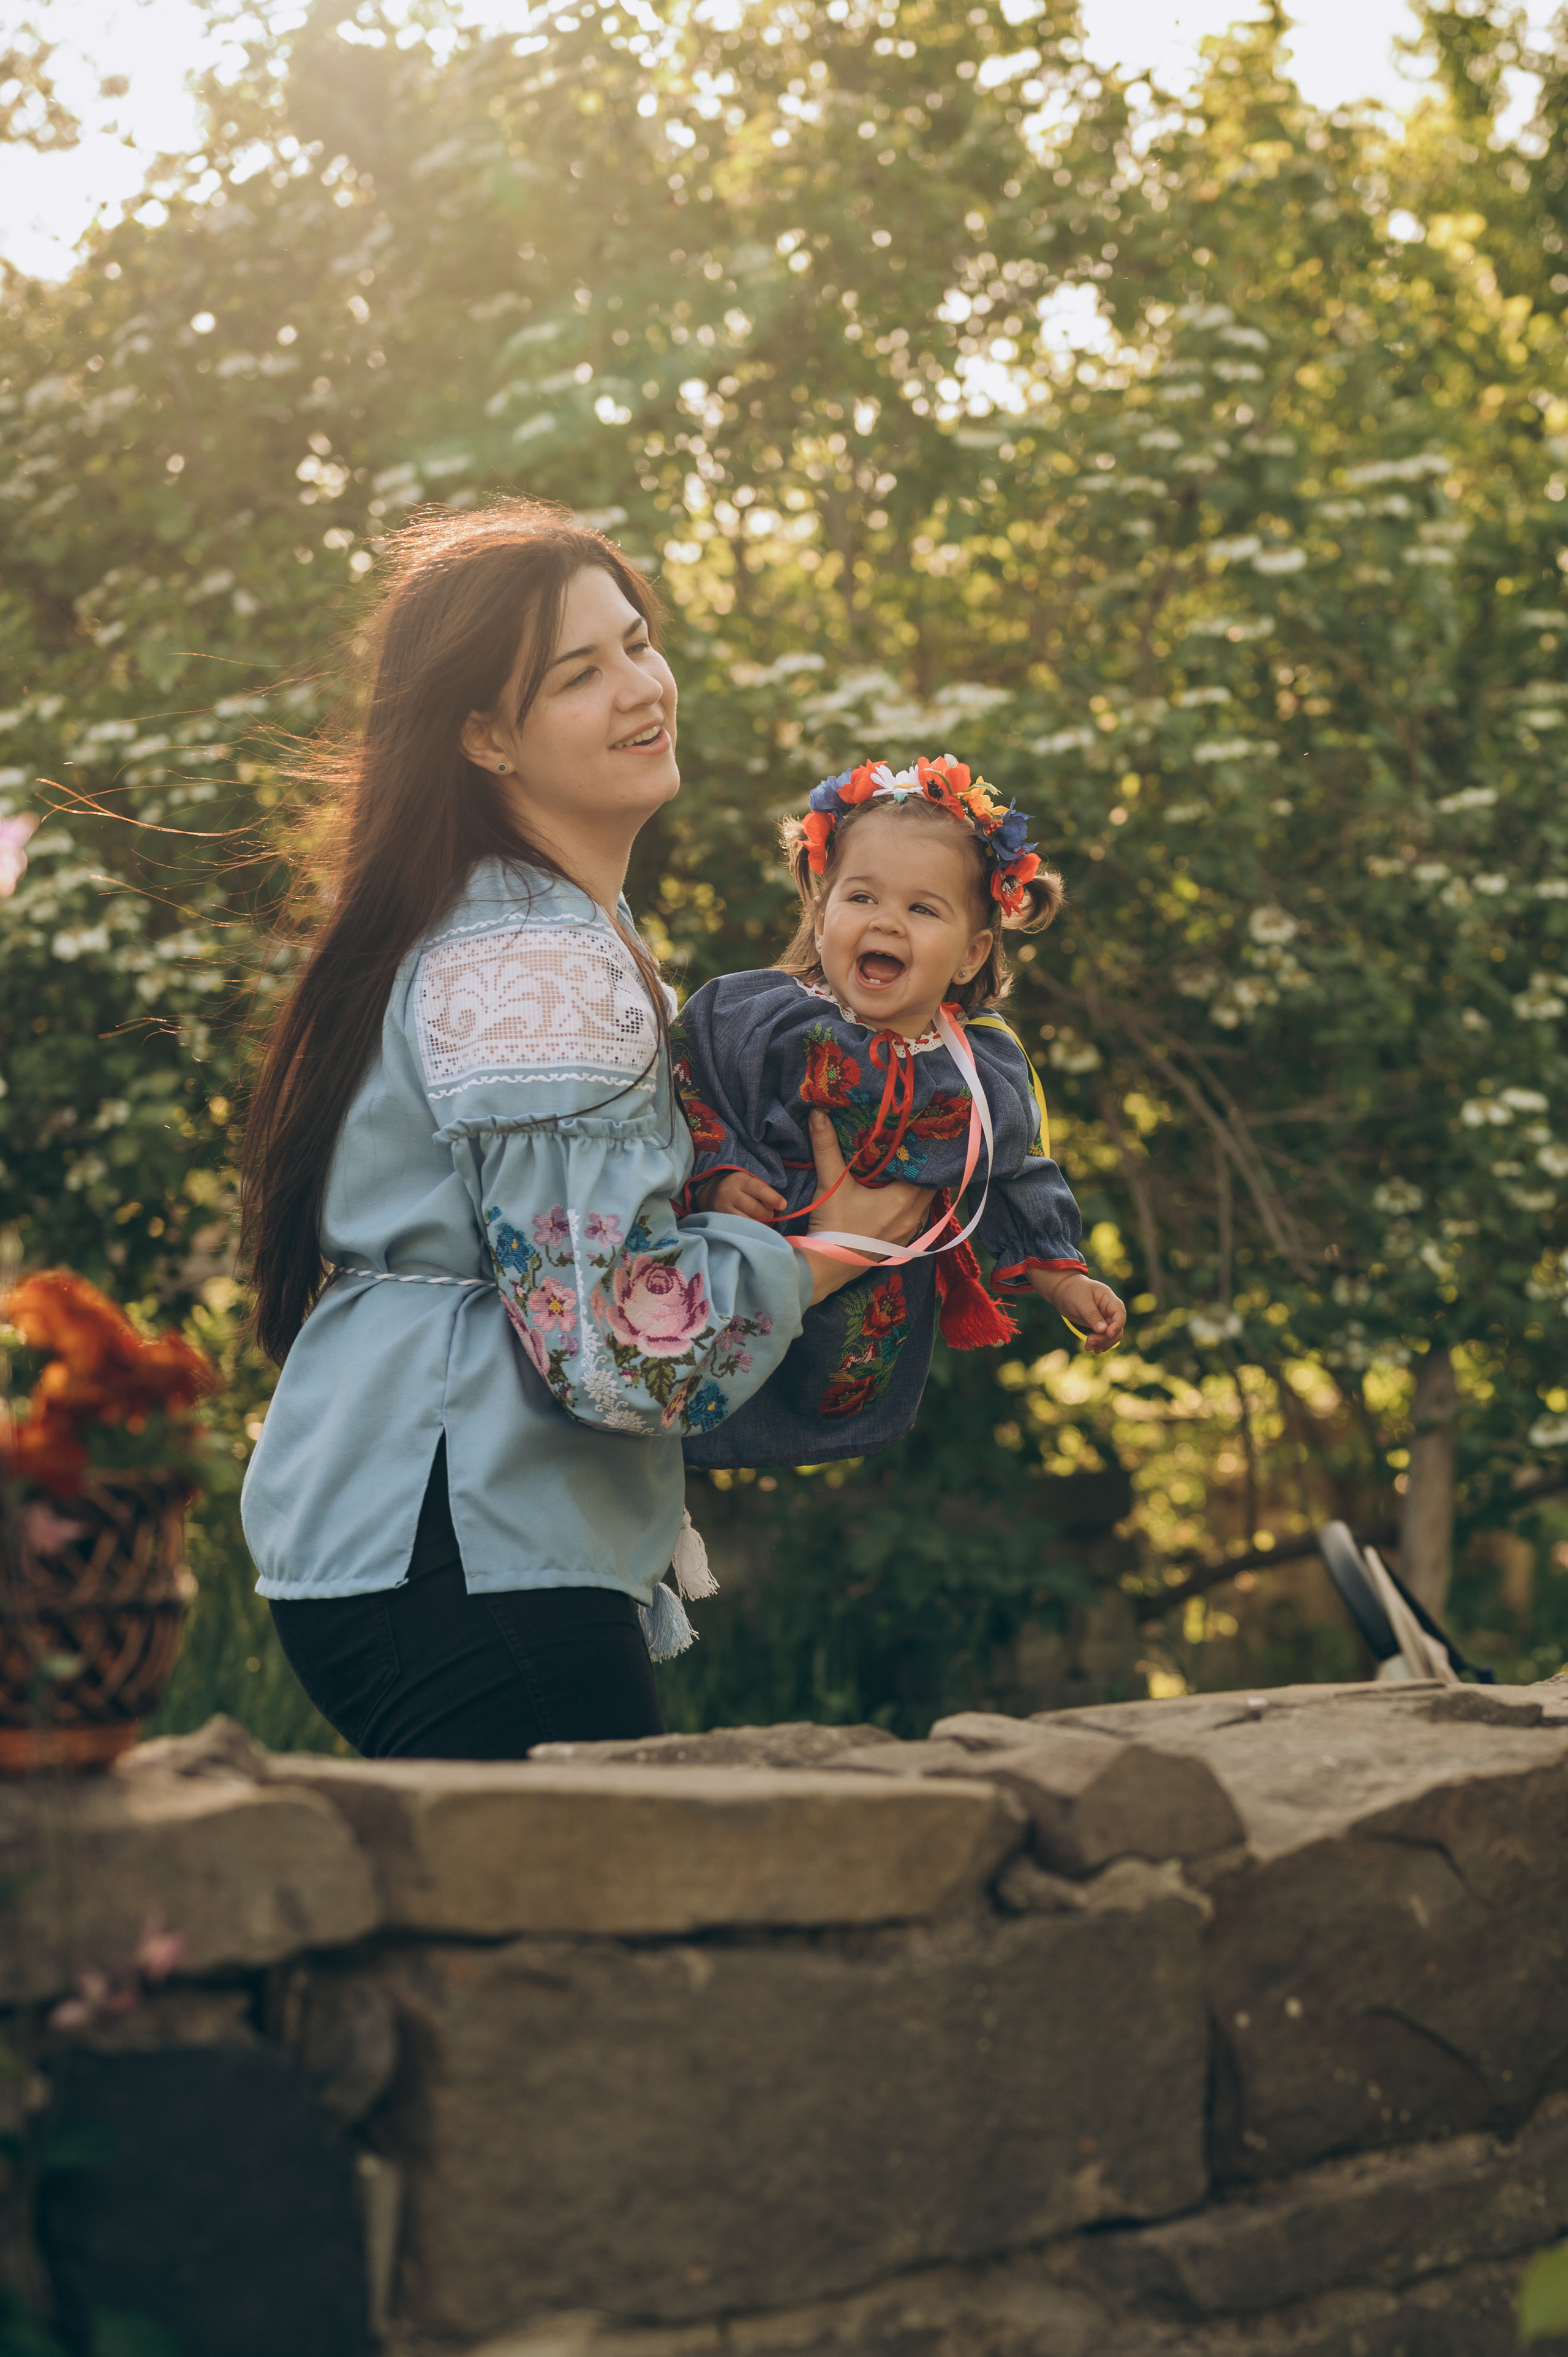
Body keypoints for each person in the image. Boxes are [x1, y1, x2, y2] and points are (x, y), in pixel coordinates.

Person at [238, 501, 931, 1760]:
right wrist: (836, 1249)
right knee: (575, 1947)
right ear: (485, 735)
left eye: (637, 641)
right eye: (579, 672)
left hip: (428, 1532)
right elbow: (617, 1342)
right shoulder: (535, 963)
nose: (638, 686)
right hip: (465, 1546)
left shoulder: (528, 922)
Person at [671, 755, 1127, 1471]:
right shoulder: (755, 1014)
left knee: (835, 1376)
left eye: (922, 909)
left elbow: (1013, 1170)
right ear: (821, 917)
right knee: (695, 1398)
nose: (887, 921)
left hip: (864, 1319)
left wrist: (1061, 1274)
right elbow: (690, 1089)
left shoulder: (980, 1072)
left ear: (973, 953)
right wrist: (717, 1173)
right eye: (862, 898)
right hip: (743, 1267)